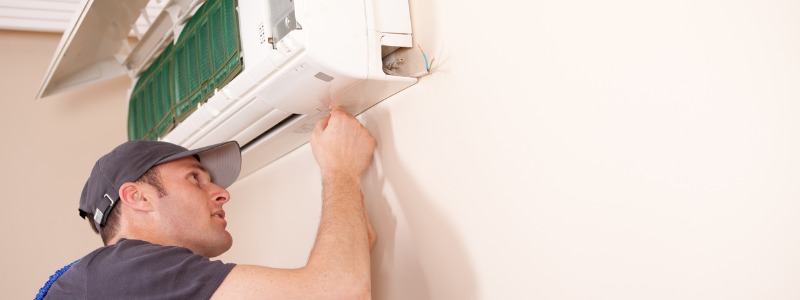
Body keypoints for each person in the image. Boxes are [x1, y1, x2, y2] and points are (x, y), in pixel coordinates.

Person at [42, 107, 378, 299]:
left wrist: (347, 243)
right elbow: (339, 292)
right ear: (138, 197)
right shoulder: (124, 269)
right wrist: (340, 170)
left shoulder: (121, 283)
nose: (222, 193)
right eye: (194, 178)